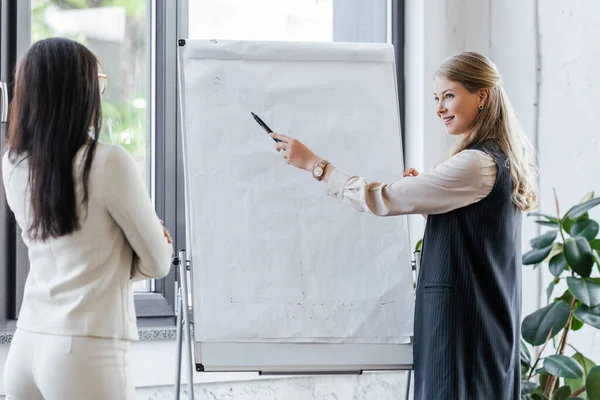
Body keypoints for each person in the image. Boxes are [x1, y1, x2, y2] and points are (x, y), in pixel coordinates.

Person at [270, 52, 537, 399]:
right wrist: (431, 205)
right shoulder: (496, 160)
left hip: (463, 330)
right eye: (436, 98)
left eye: (450, 95)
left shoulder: (476, 164)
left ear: (482, 95)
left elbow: (381, 198)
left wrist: (316, 166)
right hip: (481, 326)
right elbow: (475, 234)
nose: (440, 107)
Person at [1, 38, 173, 399]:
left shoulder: (14, 164)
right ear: (79, 91)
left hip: (26, 346)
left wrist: (106, 258)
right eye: (99, 82)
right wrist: (122, 255)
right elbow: (157, 262)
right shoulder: (108, 162)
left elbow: (65, 246)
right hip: (86, 352)